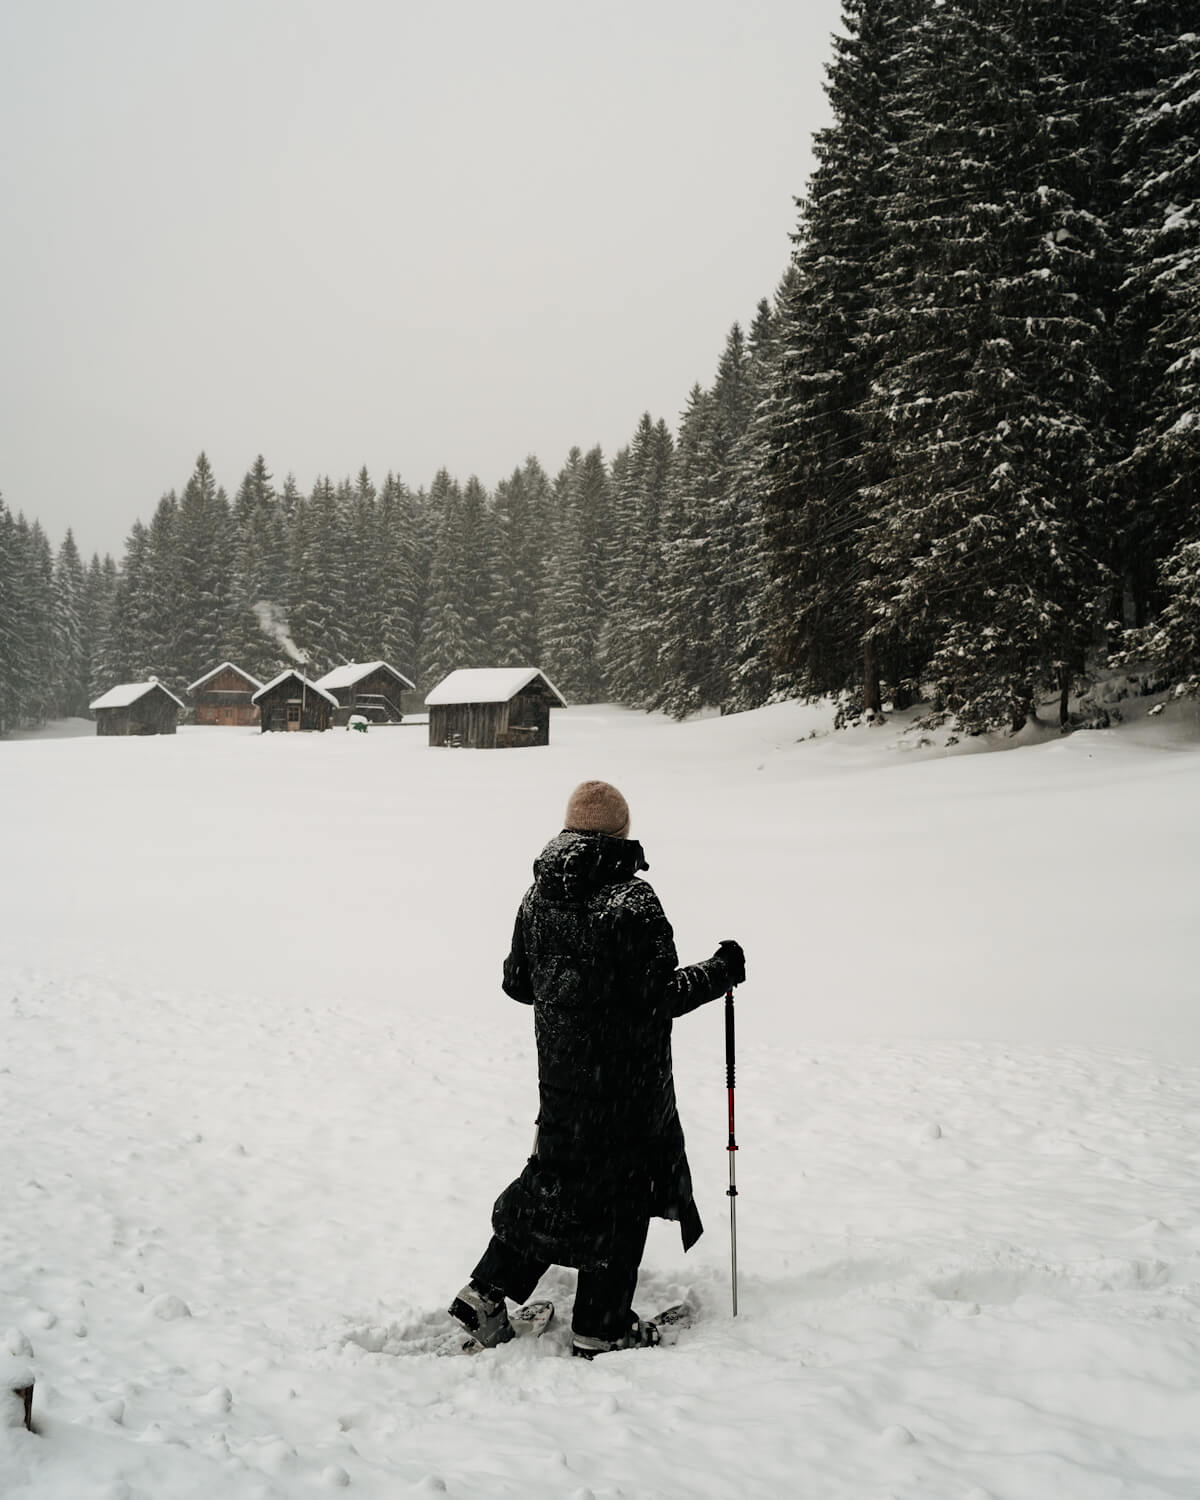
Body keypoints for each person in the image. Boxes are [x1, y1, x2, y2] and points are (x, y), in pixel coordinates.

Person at [448, 779, 745, 1358]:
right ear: (620, 832)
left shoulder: (538, 895)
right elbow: (660, 996)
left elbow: (517, 983)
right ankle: (601, 1327)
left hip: (562, 1082)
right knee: (620, 1195)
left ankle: (484, 1294)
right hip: (629, 1088)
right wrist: (721, 970)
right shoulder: (631, 901)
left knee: (554, 1184)